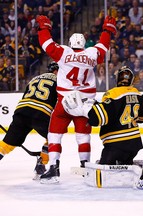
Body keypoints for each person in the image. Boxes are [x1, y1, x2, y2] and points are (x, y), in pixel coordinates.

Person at [35, 15, 117, 183]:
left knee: (54, 135)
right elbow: (103, 46)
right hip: (84, 104)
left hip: (64, 103)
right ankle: (85, 167)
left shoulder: (64, 53)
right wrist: (107, 30)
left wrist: (44, 28)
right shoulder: (92, 53)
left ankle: (53, 168)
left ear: (71, 44)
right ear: (84, 44)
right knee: (83, 137)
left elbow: (46, 44)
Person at [62, 66, 143, 188]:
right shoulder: (137, 93)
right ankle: (140, 169)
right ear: (131, 80)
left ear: (118, 79)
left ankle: (140, 175)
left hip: (115, 145)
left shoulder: (112, 93)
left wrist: (87, 111)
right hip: (134, 144)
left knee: (104, 169)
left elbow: (102, 116)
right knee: (124, 163)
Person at [0, 61, 58, 179]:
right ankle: (42, 163)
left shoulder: (35, 78)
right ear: (57, 71)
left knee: (7, 143)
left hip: (22, 111)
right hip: (41, 113)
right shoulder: (60, 81)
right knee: (53, 138)